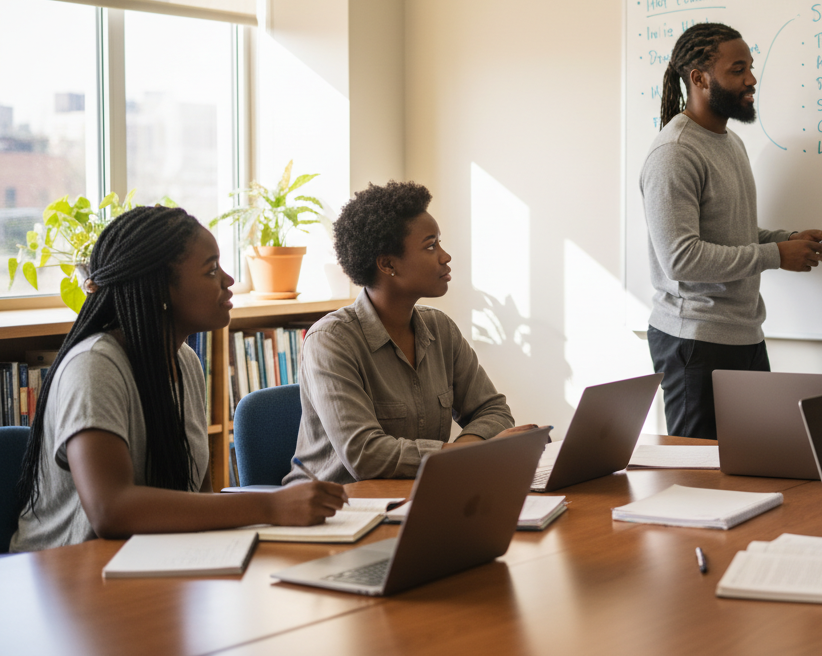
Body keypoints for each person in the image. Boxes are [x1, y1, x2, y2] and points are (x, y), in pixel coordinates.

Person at [10, 207, 346, 552]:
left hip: (154, 559)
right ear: (160, 291)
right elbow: (111, 510)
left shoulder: (185, 361)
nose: (229, 280)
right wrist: (271, 506)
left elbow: (197, 499)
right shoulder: (94, 365)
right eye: (211, 270)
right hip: (70, 568)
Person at [640, 22, 822, 440]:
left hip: (744, 334)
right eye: (738, 69)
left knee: (753, 461)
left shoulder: (731, 143)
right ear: (699, 79)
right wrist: (776, 256)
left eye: (750, 67)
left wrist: (786, 240)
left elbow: (733, 232)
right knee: (697, 470)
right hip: (694, 340)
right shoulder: (674, 153)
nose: (751, 79)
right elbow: (681, 259)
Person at [284, 181, 537, 485]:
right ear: (387, 264)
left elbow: (493, 410)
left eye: (439, 243)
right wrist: (466, 454)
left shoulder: (440, 329)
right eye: (431, 246)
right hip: (337, 504)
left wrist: (459, 455)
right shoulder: (330, 340)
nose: (445, 256)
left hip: (417, 493)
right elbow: (366, 455)